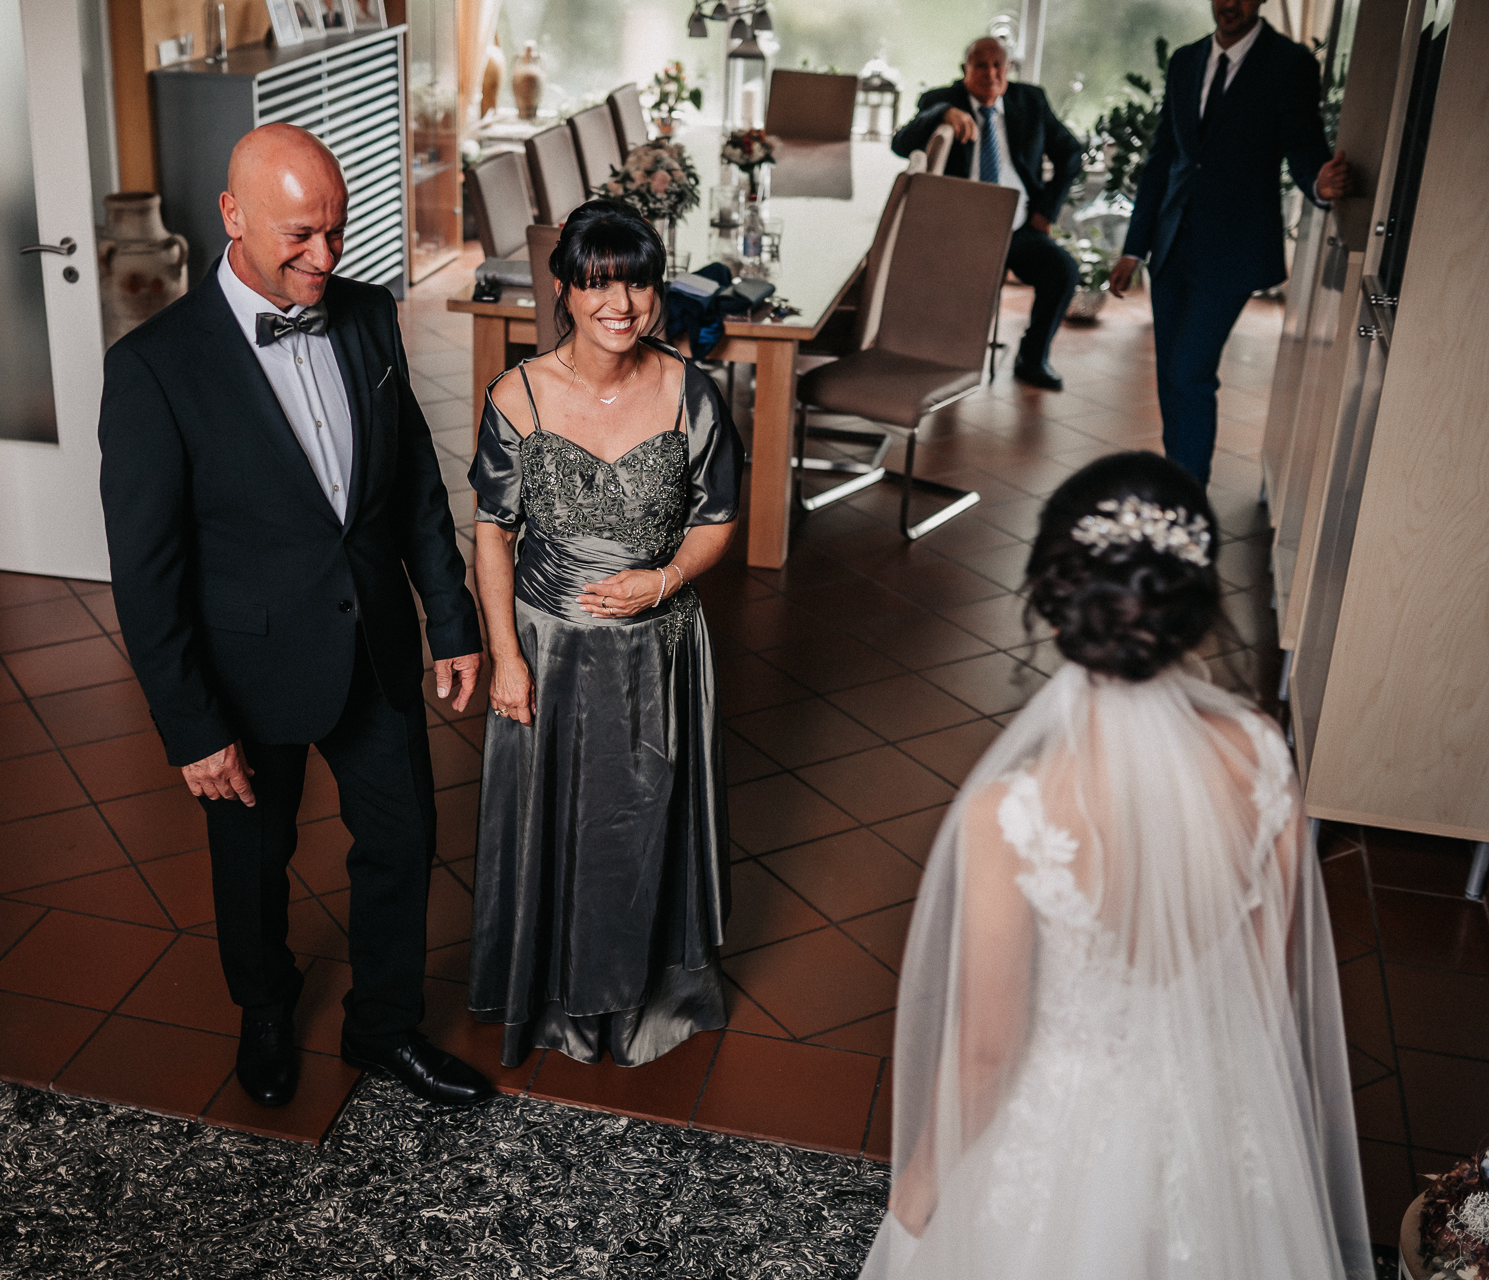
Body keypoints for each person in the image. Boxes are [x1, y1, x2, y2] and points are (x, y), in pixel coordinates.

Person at [857, 451, 1369, 1279]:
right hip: (1214, 1111)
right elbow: (1265, 985)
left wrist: (916, 1194)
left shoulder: (1013, 815)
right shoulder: (1264, 755)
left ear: (1054, 603)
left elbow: (988, 1052)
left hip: (1065, 1129)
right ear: (1195, 605)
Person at [98, 123, 493, 1111]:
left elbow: (411, 483)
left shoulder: (367, 314)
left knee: (403, 841)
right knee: (253, 861)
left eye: (337, 231)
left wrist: (451, 617)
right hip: (247, 670)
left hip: (375, 645)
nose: (325, 256)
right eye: (300, 235)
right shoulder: (154, 367)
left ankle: (384, 1026)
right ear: (232, 216)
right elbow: (146, 573)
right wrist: (191, 726)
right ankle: (265, 1010)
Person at [466, 201, 742, 1068]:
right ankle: (552, 995)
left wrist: (665, 579)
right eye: (598, 284)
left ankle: (647, 997)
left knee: (644, 823)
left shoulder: (690, 391)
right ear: (565, 290)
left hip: (660, 651)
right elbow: (491, 532)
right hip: (550, 648)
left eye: (638, 283)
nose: (620, 304)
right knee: (554, 825)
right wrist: (506, 657)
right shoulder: (518, 394)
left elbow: (718, 520)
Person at [1110, 0, 1350, 485]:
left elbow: (1303, 143)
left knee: (1189, 374)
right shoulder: (1185, 60)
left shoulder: (1289, 64)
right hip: (1172, 244)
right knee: (1170, 376)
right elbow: (1163, 159)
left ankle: (1189, 501)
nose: (1229, 4)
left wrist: (1318, 184)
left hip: (1234, 249)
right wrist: (1134, 248)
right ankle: (1178, 487)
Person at [892, 36, 1084, 392]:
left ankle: (1032, 358)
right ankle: (944, 356)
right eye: (981, 65)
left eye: (998, 65)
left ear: (1008, 70)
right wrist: (942, 114)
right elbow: (900, 143)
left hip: (1018, 227)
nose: (991, 73)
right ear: (965, 70)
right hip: (961, 231)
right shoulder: (940, 100)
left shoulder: (1030, 101)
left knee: (1063, 271)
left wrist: (1046, 210)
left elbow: (1071, 153)